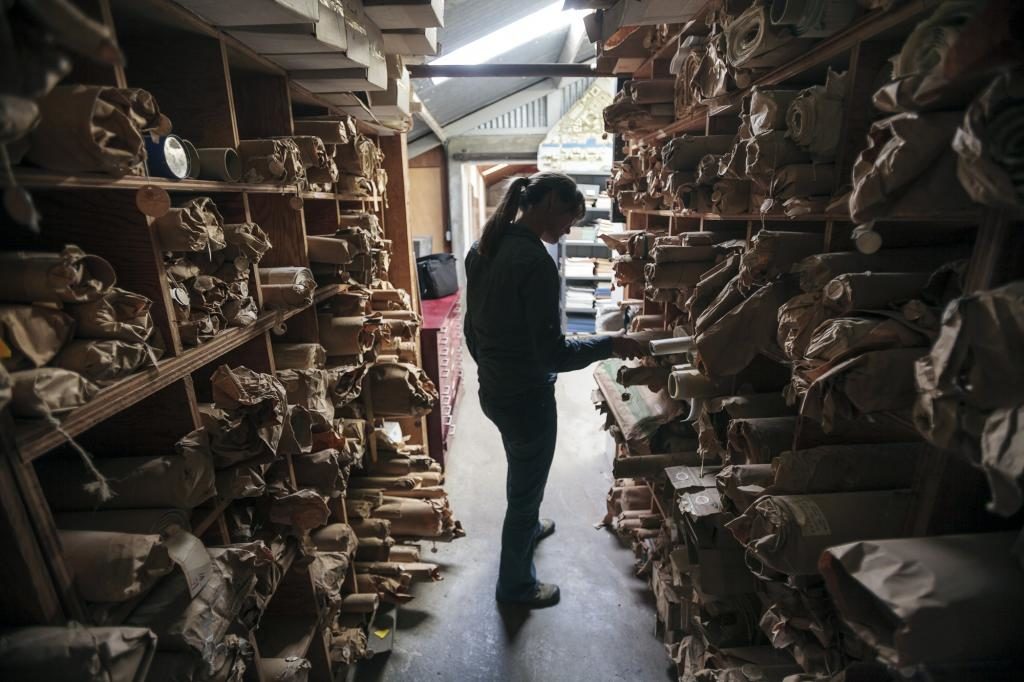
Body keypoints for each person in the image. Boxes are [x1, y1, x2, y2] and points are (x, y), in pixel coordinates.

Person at [464, 171, 646, 609]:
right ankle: (516, 587)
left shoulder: (482, 248)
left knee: (521, 470)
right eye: (569, 217)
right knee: (524, 491)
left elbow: (472, 330)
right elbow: (552, 355)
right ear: (547, 204)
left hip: (495, 388)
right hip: (526, 398)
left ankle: (527, 526)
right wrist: (612, 344)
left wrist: (493, 367)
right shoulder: (534, 263)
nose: (569, 228)